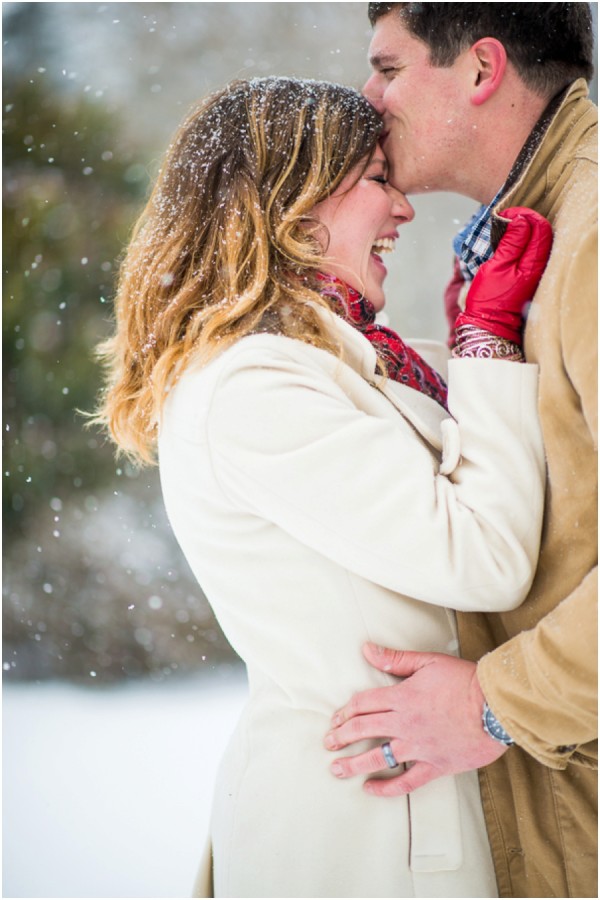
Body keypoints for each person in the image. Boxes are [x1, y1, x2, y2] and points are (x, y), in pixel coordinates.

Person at [94, 76, 552, 897]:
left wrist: (462, 350)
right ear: (292, 204)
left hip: (399, 808)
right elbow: (483, 556)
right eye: (378, 178)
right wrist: (486, 347)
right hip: (362, 836)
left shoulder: (327, 361)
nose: (404, 208)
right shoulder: (255, 388)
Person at [325, 4, 597, 897]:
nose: (367, 97)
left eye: (389, 68)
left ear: (481, 71)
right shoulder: (541, 227)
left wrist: (496, 701)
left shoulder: (593, 241)